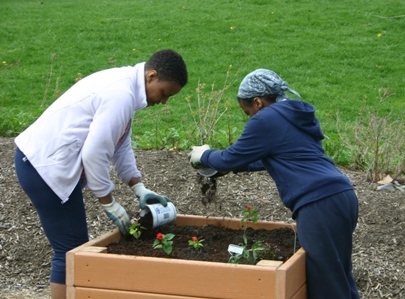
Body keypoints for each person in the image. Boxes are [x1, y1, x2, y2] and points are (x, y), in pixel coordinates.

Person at [14, 49, 188, 299]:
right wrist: (108, 201)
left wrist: (138, 186)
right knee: (71, 250)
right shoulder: (121, 94)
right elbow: (94, 153)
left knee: (73, 249)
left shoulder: (127, 87)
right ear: (151, 76)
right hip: (42, 166)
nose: (164, 101)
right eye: (164, 93)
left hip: (41, 160)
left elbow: (120, 143)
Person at [189, 69, 360, 299]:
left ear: (258, 102)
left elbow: (230, 156)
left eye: (247, 111)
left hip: (317, 204)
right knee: (340, 277)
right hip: (342, 196)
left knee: (326, 287)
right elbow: (271, 158)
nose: (249, 117)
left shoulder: (265, 120)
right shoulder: (295, 115)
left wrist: (204, 155)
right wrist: (233, 167)